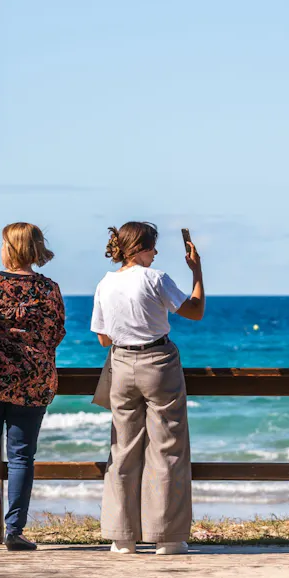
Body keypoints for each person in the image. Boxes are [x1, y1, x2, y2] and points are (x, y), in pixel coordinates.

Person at [90, 221, 205, 555]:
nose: (155, 253)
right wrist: (197, 272)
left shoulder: (105, 283)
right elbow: (195, 311)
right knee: (167, 448)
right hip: (158, 360)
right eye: (152, 247)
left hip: (121, 364)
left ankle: (121, 536)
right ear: (140, 247)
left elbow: (102, 338)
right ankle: (166, 537)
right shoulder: (156, 279)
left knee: (123, 449)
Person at [0, 222, 67, 551]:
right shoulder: (49, 288)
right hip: (33, 382)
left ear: (9, 247)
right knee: (22, 457)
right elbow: (57, 332)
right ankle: (14, 531)